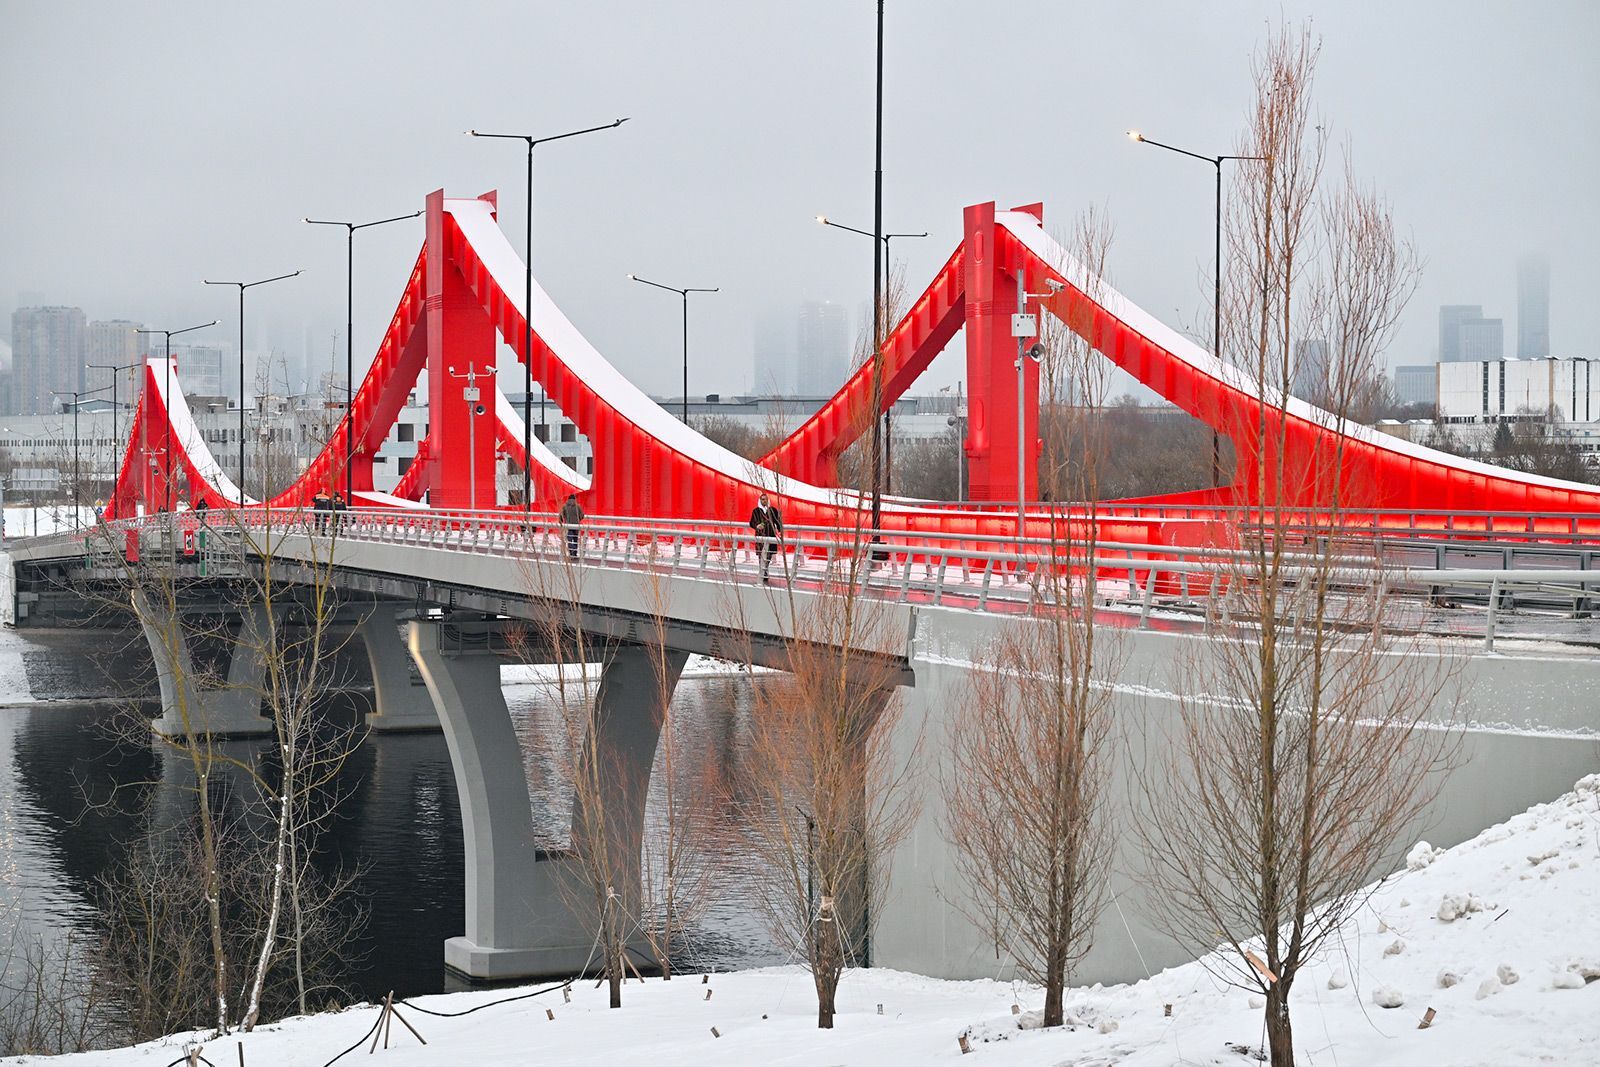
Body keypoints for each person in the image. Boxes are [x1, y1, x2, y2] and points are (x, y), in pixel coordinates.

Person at [748, 492, 784, 582]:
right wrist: (757, 526)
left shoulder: (773, 510)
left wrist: (780, 531)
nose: (764, 501)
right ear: (760, 500)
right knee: (761, 554)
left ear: (768, 500)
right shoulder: (755, 511)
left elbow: (778, 521)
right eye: (762, 499)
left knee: (769, 554)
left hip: (771, 535)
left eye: (765, 499)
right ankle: (763, 571)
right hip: (760, 536)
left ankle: (765, 568)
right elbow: (751, 523)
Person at [559, 493, 584, 560]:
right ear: (575, 499)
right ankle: (575, 553)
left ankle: (571, 552)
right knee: (575, 540)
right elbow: (582, 515)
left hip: (568, 525)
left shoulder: (565, 506)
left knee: (569, 540)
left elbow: (561, 515)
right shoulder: (578, 506)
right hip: (576, 525)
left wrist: (561, 521)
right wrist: (578, 519)